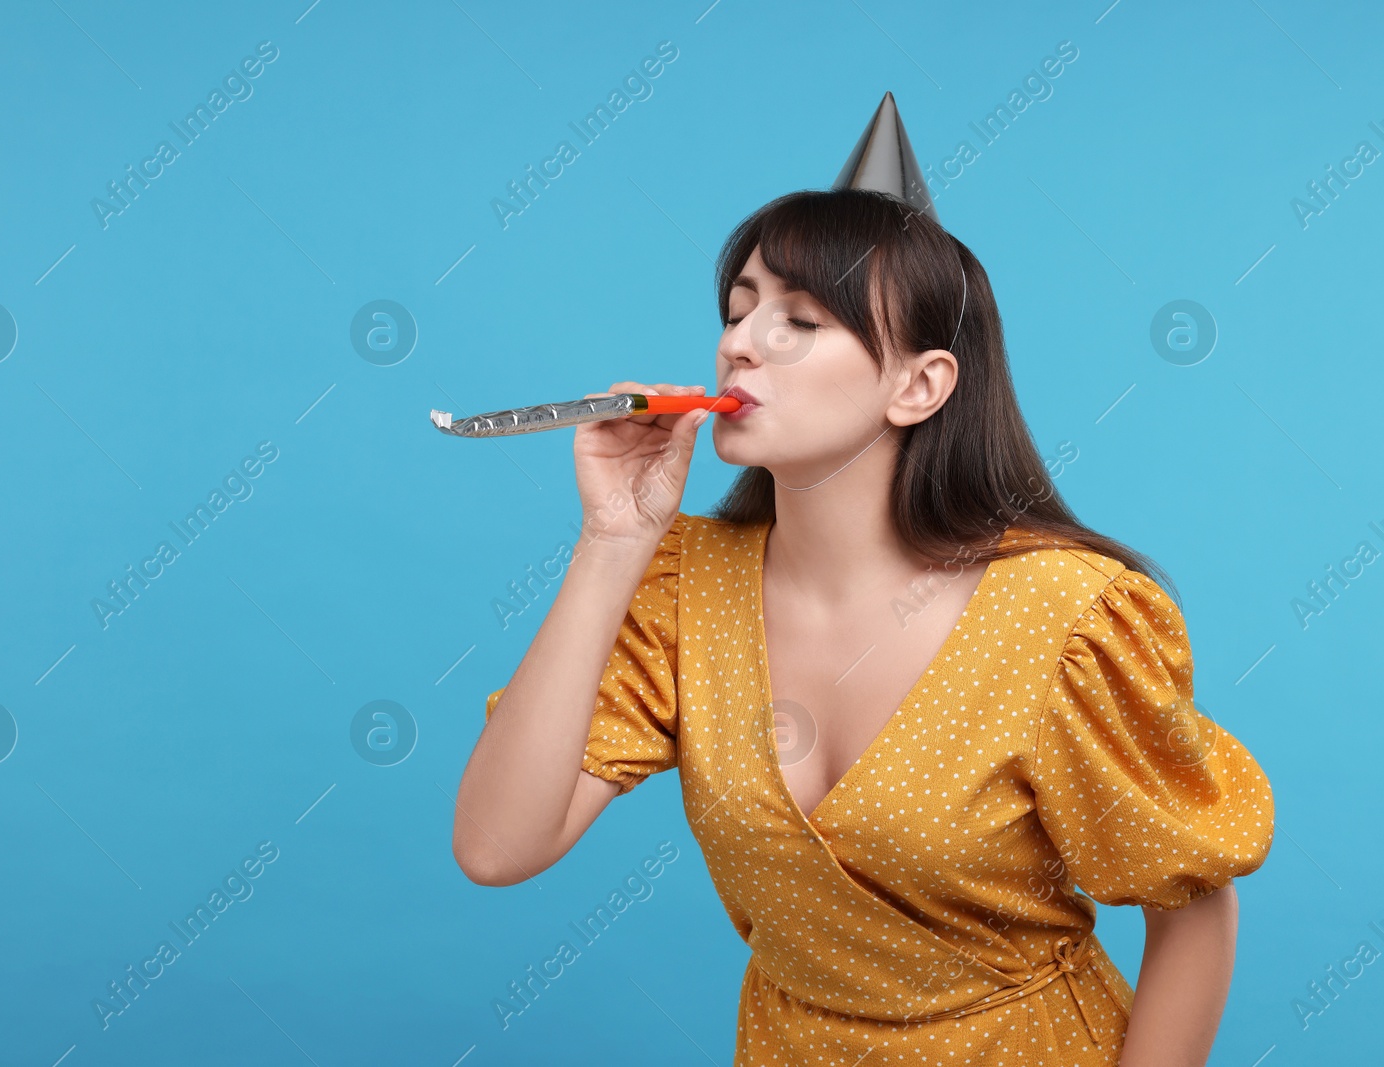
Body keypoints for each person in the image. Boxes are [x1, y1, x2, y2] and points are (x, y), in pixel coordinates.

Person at [454, 123, 1273, 1067]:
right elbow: (496, 846)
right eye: (737, 310)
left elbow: (1194, 907)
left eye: (799, 322)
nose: (739, 348)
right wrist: (614, 540)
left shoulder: (1066, 615)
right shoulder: (682, 586)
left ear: (920, 385)